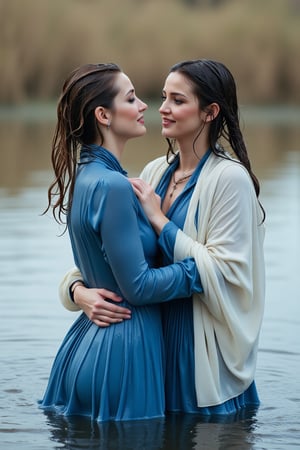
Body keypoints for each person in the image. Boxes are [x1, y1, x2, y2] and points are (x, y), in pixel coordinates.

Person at [60, 59, 266, 417]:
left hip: (197, 355)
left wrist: (160, 221)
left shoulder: (229, 180)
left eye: (177, 100)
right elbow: (119, 256)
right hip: (149, 346)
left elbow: (228, 271)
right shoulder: (153, 173)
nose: (162, 109)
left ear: (209, 112)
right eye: (163, 97)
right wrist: (77, 291)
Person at [39, 63, 203, 422]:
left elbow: (100, 266)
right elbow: (139, 286)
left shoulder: (87, 176)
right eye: (131, 98)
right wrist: (201, 269)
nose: (144, 105)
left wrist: (76, 290)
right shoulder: (113, 186)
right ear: (103, 115)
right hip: (125, 350)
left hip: (87, 344)